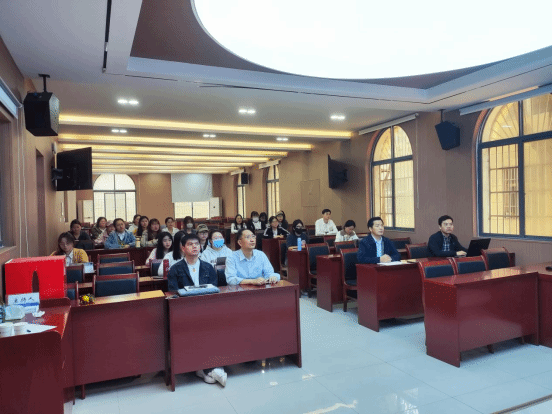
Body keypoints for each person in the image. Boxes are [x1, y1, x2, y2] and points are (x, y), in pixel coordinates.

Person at [167, 233, 226, 387]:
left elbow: (214, 290)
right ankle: (211, 369)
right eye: (190, 244)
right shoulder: (175, 269)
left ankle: (206, 369)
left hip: (207, 311)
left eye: (197, 244)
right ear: (183, 248)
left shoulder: (208, 267)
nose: (194, 247)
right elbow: (173, 293)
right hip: (184, 313)